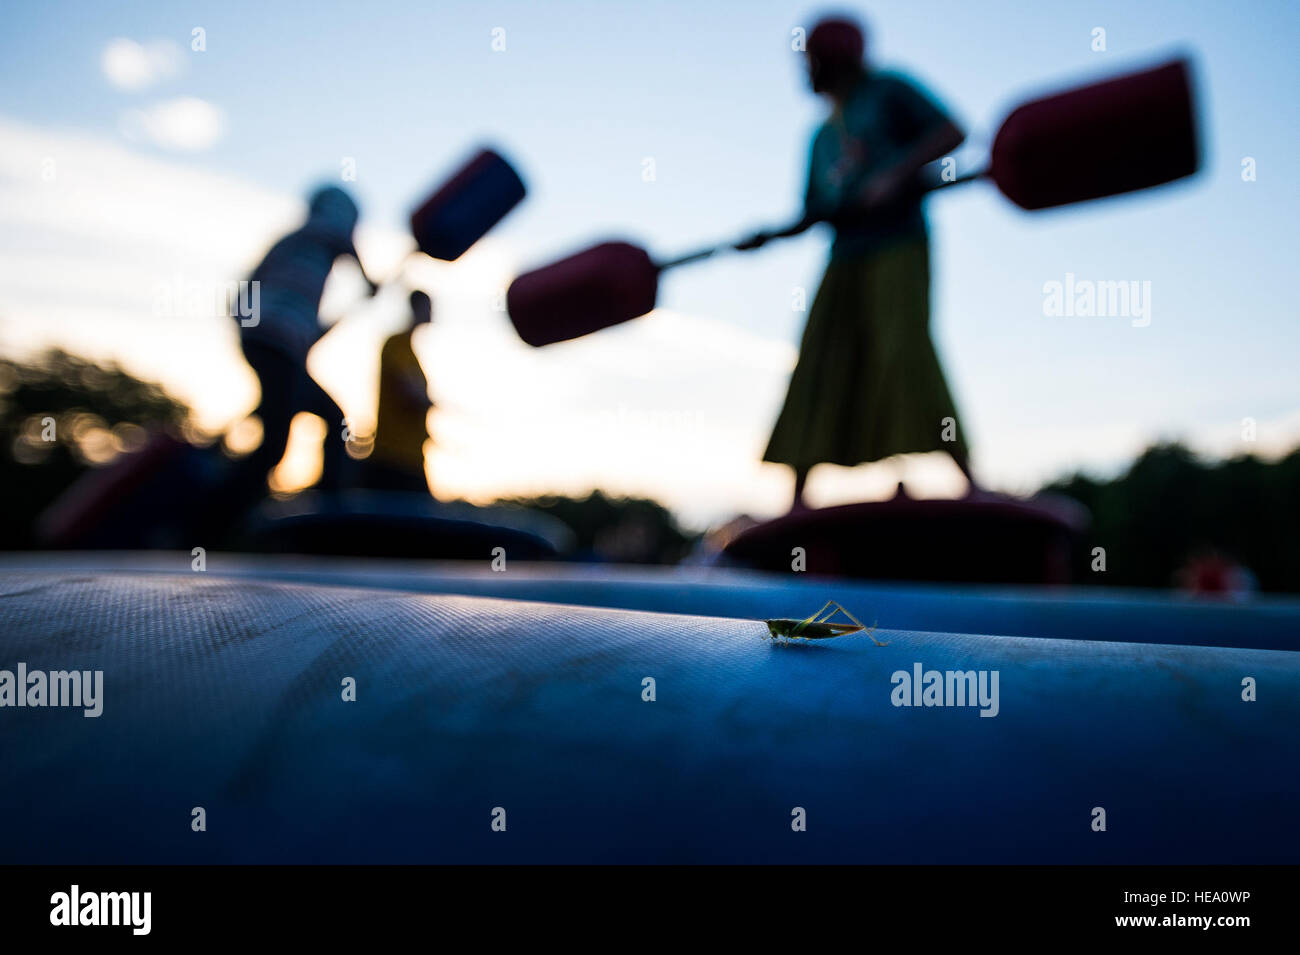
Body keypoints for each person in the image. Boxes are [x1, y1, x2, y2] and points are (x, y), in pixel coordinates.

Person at [746, 15, 973, 510]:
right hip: (845, 254)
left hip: (899, 242)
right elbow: (813, 209)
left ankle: (968, 478)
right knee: (821, 356)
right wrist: (772, 233)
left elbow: (952, 131)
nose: (804, 70)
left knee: (903, 347)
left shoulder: (889, 91)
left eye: (811, 59)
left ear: (835, 56)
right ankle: (798, 497)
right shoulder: (821, 134)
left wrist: (895, 176)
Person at [235, 185, 376, 500]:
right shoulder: (318, 235)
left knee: (315, 416)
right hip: (277, 347)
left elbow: (245, 297)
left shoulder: (292, 244)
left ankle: (323, 501)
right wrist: (369, 281)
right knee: (277, 443)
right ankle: (208, 520)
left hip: (273, 346)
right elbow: (341, 238)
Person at [363, 289, 434, 493]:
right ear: (416, 307)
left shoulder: (412, 352)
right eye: (428, 306)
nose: (432, 312)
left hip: (412, 458)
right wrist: (430, 402)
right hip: (393, 459)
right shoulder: (396, 344)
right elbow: (409, 393)